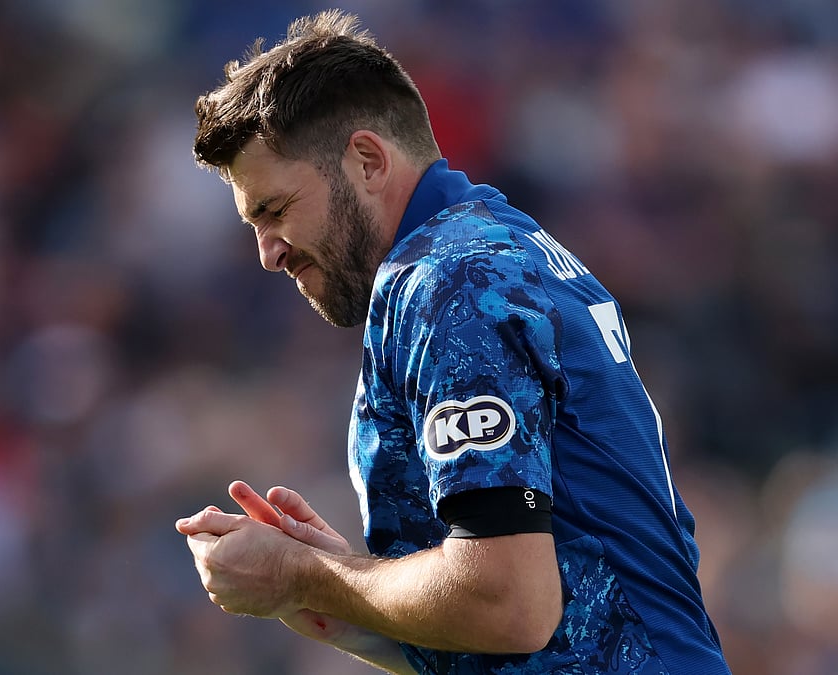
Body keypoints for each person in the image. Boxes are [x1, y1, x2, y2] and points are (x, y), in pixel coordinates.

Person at [175, 10, 732, 674]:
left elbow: (511, 603)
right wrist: (338, 584)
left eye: (274, 210)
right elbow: (518, 628)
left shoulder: (453, 281)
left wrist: (305, 574)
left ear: (368, 160)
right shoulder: (491, 247)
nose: (266, 253)